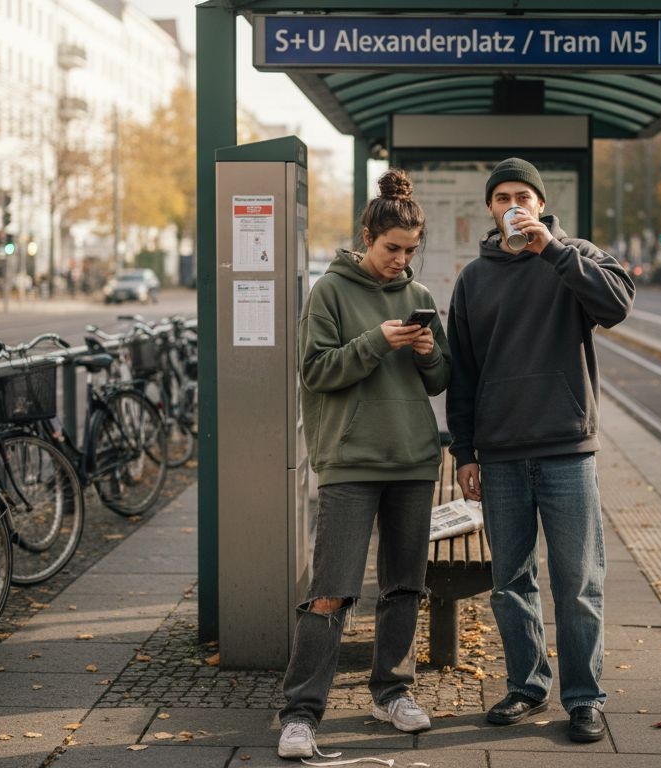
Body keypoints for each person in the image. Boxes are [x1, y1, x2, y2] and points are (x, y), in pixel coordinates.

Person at [446, 157, 634, 744]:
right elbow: (464, 374)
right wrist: (465, 452)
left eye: (522, 195)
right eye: (502, 197)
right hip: (500, 454)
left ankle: (584, 699)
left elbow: (617, 306)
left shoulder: (574, 254)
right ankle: (528, 687)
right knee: (511, 582)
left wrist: (551, 248)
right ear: (490, 207)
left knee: (579, 581)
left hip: (565, 449)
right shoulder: (474, 278)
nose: (512, 205)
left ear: (541, 202)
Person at [276, 169, 450, 760]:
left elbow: (441, 379)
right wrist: (376, 340)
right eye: (391, 249)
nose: (401, 261)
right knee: (331, 591)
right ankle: (300, 715)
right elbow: (316, 372)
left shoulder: (420, 299)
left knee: (404, 586)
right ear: (366, 238)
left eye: (410, 252)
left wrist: (428, 352)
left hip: (411, 459)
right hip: (350, 459)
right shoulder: (330, 291)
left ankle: (392, 693)